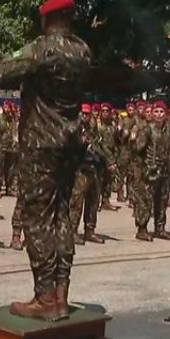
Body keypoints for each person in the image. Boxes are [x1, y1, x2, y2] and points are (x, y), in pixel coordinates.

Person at [0, 0, 136, 321]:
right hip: (71, 143)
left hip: (40, 144)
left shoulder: (42, 49)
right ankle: (62, 293)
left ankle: (44, 297)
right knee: (63, 214)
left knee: (37, 218)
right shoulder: (83, 51)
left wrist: (17, 55)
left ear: (45, 19)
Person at [131, 100, 170, 241]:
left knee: (162, 201)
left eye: (161, 112)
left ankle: (159, 228)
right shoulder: (147, 129)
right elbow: (137, 150)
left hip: (163, 171)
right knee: (145, 201)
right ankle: (142, 229)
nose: (158, 114)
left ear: (166, 114)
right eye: (156, 111)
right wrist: (142, 169)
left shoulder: (168, 130)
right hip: (149, 172)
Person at [70, 104, 112, 245]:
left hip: (94, 169)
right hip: (80, 170)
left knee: (93, 202)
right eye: (83, 113)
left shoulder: (93, 130)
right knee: (77, 202)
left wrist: (109, 160)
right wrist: (79, 143)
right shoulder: (74, 129)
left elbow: (101, 146)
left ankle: (90, 230)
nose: (85, 116)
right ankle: (72, 231)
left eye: (88, 114)